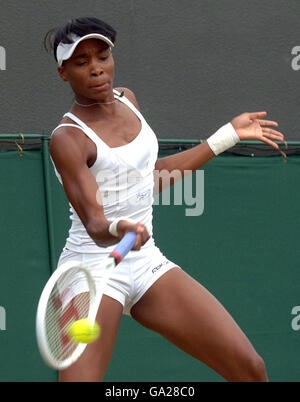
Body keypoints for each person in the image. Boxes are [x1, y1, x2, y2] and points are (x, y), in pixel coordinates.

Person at [44, 17, 284, 382]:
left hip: (144, 261)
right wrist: (118, 227)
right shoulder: (68, 139)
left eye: (102, 56)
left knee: (250, 369)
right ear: (64, 73)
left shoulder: (129, 100)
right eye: (81, 62)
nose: (96, 69)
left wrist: (226, 136)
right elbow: (95, 224)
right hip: (91, 271)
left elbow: (152, 176)